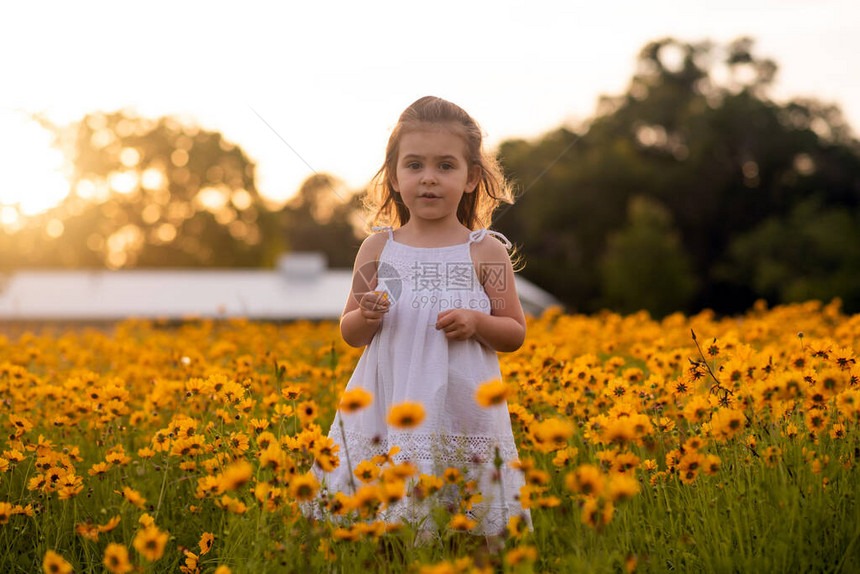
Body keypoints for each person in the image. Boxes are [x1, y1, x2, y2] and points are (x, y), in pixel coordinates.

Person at [311, 96, 531, 541]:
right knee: (385, 527)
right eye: (414, 165)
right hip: (386, 404)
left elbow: (513, 332)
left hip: (460, 406)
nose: (429, 178)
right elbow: (350, 332)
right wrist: (367, 315)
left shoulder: (484, 250)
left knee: (472, 529)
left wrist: (477, 322)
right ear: (394, 176)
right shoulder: (377, 249)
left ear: (471, 179)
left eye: (446, 166)